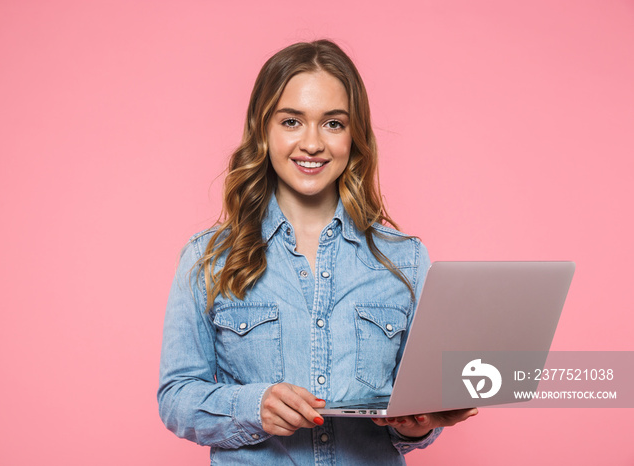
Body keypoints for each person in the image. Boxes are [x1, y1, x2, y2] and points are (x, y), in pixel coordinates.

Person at [158, 39, 477, 465]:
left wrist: (416, 423)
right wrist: (254, 406)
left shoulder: (406, 261)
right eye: (292, 121)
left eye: (333, 124)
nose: (312, 143)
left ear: (354, 134)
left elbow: (416, 409)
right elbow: (176, 396)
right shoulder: (208, 258)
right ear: (263, 129)